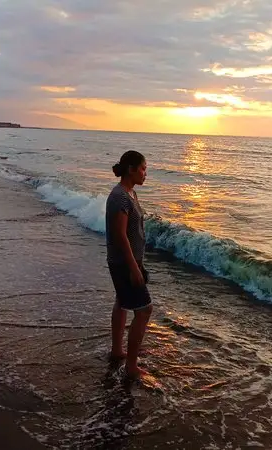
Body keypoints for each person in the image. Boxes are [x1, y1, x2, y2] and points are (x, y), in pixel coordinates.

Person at [106, 150, 152, 379]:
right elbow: (120, 236)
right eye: (143, 169)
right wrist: (134, 267)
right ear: (131, 169)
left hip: (128, 261)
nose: (145, 173)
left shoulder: (130, 193)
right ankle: (131, 367)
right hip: (124, 263)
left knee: (122, 302)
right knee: (144, 311)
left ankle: (117, 351)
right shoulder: (120, 197)